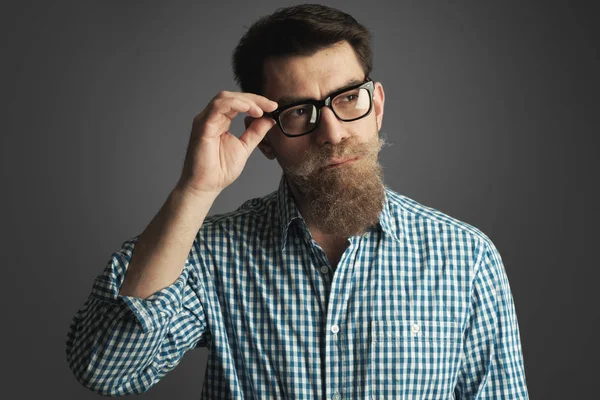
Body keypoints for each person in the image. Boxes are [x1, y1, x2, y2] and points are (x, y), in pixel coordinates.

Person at [66, 4, 529, 399]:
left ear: (378, 104)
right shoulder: (211, 255)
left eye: (348, 99)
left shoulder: (466, 258)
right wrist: (195, 190)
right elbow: (107, 370)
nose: (332, 133)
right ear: (266, 139)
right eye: (299, 111)